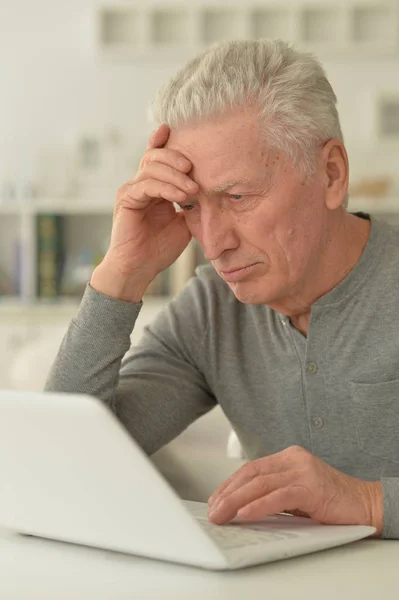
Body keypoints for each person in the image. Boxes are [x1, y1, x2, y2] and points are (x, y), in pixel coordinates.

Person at [45, 39, 399, 539]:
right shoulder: (211, 310)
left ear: (331, 174)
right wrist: (123, 270)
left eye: (236, 196)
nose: (213, 242)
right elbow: (65, 467)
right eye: (191, 207)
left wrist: (369, 501)